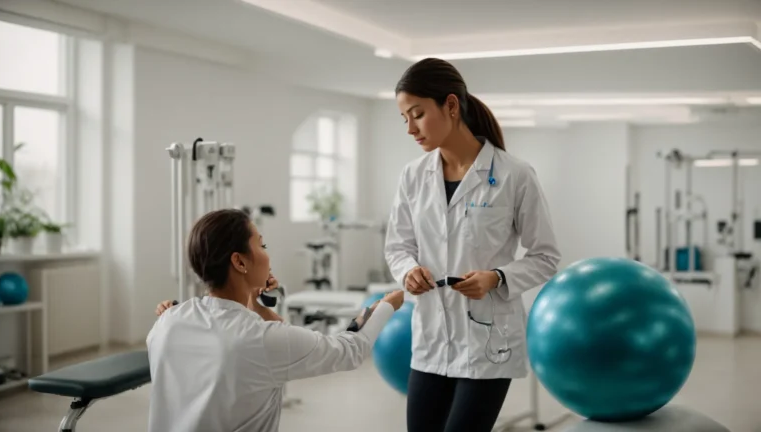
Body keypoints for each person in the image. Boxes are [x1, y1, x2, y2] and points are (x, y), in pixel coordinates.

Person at [384, 58, 562, 432]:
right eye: (405, 118)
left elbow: (545, 257)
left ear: (451, 106)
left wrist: (496, 277)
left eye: (417, 114)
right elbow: (397, 246)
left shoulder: (514, 175)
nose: (410, 129)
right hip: (432, 340)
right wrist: (407, 271)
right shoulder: (413, 176)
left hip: (488, 343)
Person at [147, 208, 405, 432]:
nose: (268, 256)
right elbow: (350, 350)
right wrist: (384, 307)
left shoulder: (167, 322)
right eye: (262, 245)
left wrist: (257, 306)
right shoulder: (258, 339)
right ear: (239, 261)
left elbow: (265, 344)